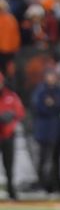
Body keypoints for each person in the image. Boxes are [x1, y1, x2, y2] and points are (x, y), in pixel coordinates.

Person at [0, 72, 24, 200]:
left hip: (8, 135)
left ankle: (11, 190)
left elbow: (20, 112)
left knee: (9, 165)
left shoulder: (11, 96)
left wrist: (11, 116)